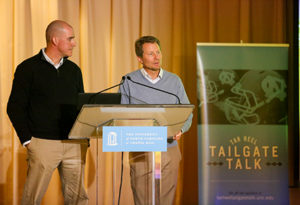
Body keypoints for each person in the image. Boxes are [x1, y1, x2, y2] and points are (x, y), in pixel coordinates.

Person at [7, 20, 89, 205]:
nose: (74, 43)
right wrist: (28, 140)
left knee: (78, 199)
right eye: (70, 39)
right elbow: (14, 107)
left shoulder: (74, 70)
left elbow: (80, 107)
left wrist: (85, 140)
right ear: (55, 40)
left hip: (74, 145)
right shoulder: (27, 68)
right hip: (42, 144)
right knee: (31, 198)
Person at [119, 36, 193, 205]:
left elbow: (187, 112)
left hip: (168, 150)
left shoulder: (174, 81)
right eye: (151, 53)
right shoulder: (128, 81)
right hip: (141, 151)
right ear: (140, 58)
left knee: (165, 201)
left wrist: (180, 130)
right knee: (143, 200)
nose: (157, 57)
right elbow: (121, 115)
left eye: (158, 52)